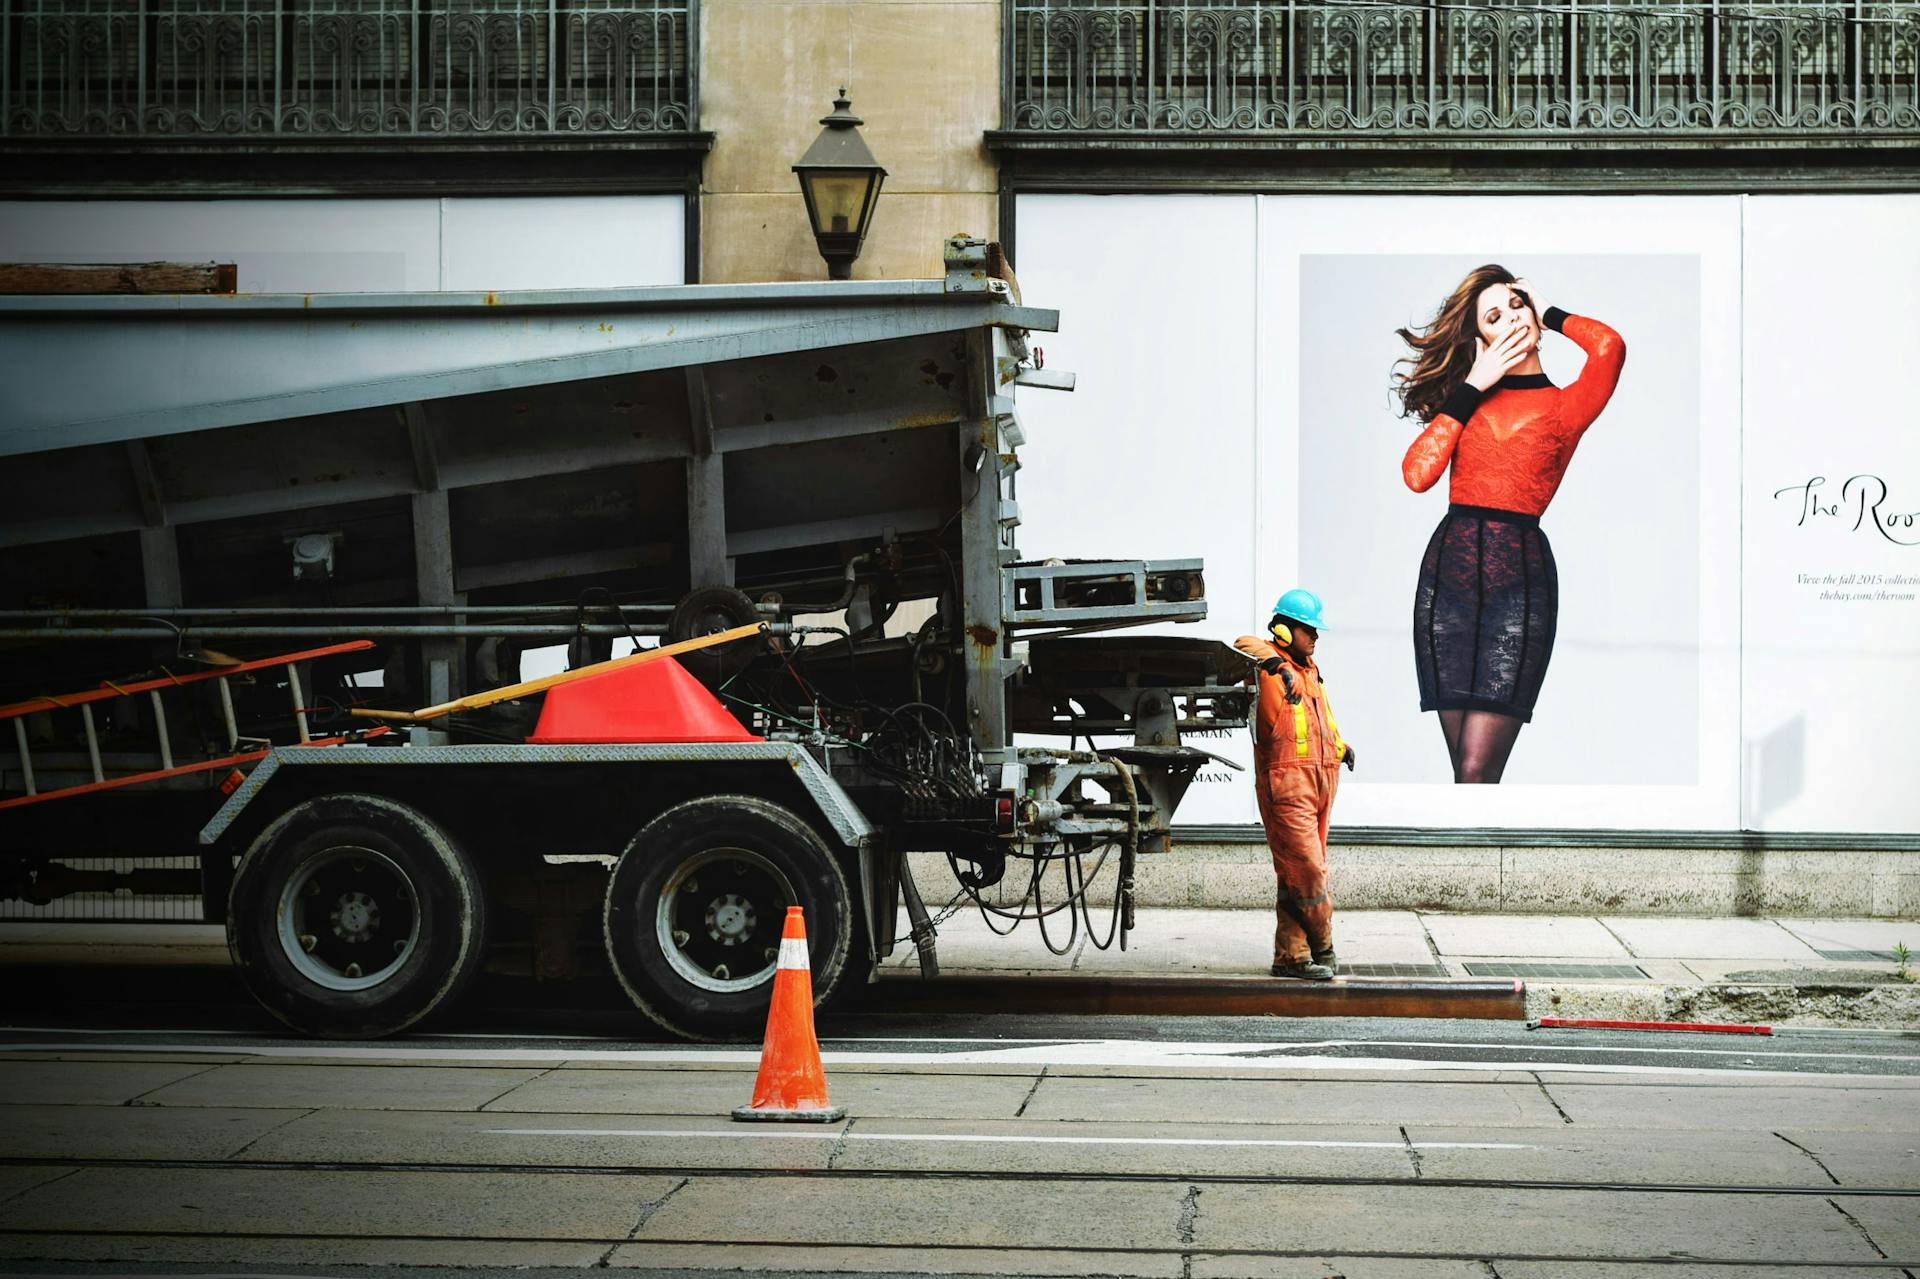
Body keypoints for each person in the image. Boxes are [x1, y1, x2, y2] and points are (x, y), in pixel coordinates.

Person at [1394, 267, 1626, 784]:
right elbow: (1416, 475)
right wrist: (1474, 383)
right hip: (1446, 585)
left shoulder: (1567, 406)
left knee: (1477, 769)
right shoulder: (1466, 402)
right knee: (1462, 772)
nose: (1513, 320)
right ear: (1482, 340)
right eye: (1495, 317)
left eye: (1517, 306)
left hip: (1518, 587)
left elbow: (1609, 347)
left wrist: (1551, 312)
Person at [1235, 589, 1355, 981]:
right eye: (1309, 630)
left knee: (1294, 875)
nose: (1316, 637)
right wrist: (1275, 663)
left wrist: (1341, 747)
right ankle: (1323, 944)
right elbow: (1242, 644)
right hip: (1288, 784)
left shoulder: (1310, 671)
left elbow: (1321, 721)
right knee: (1309, 871)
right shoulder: (1269, 666)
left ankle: (1291, 956)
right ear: (1285, 629)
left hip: (1321, 781)